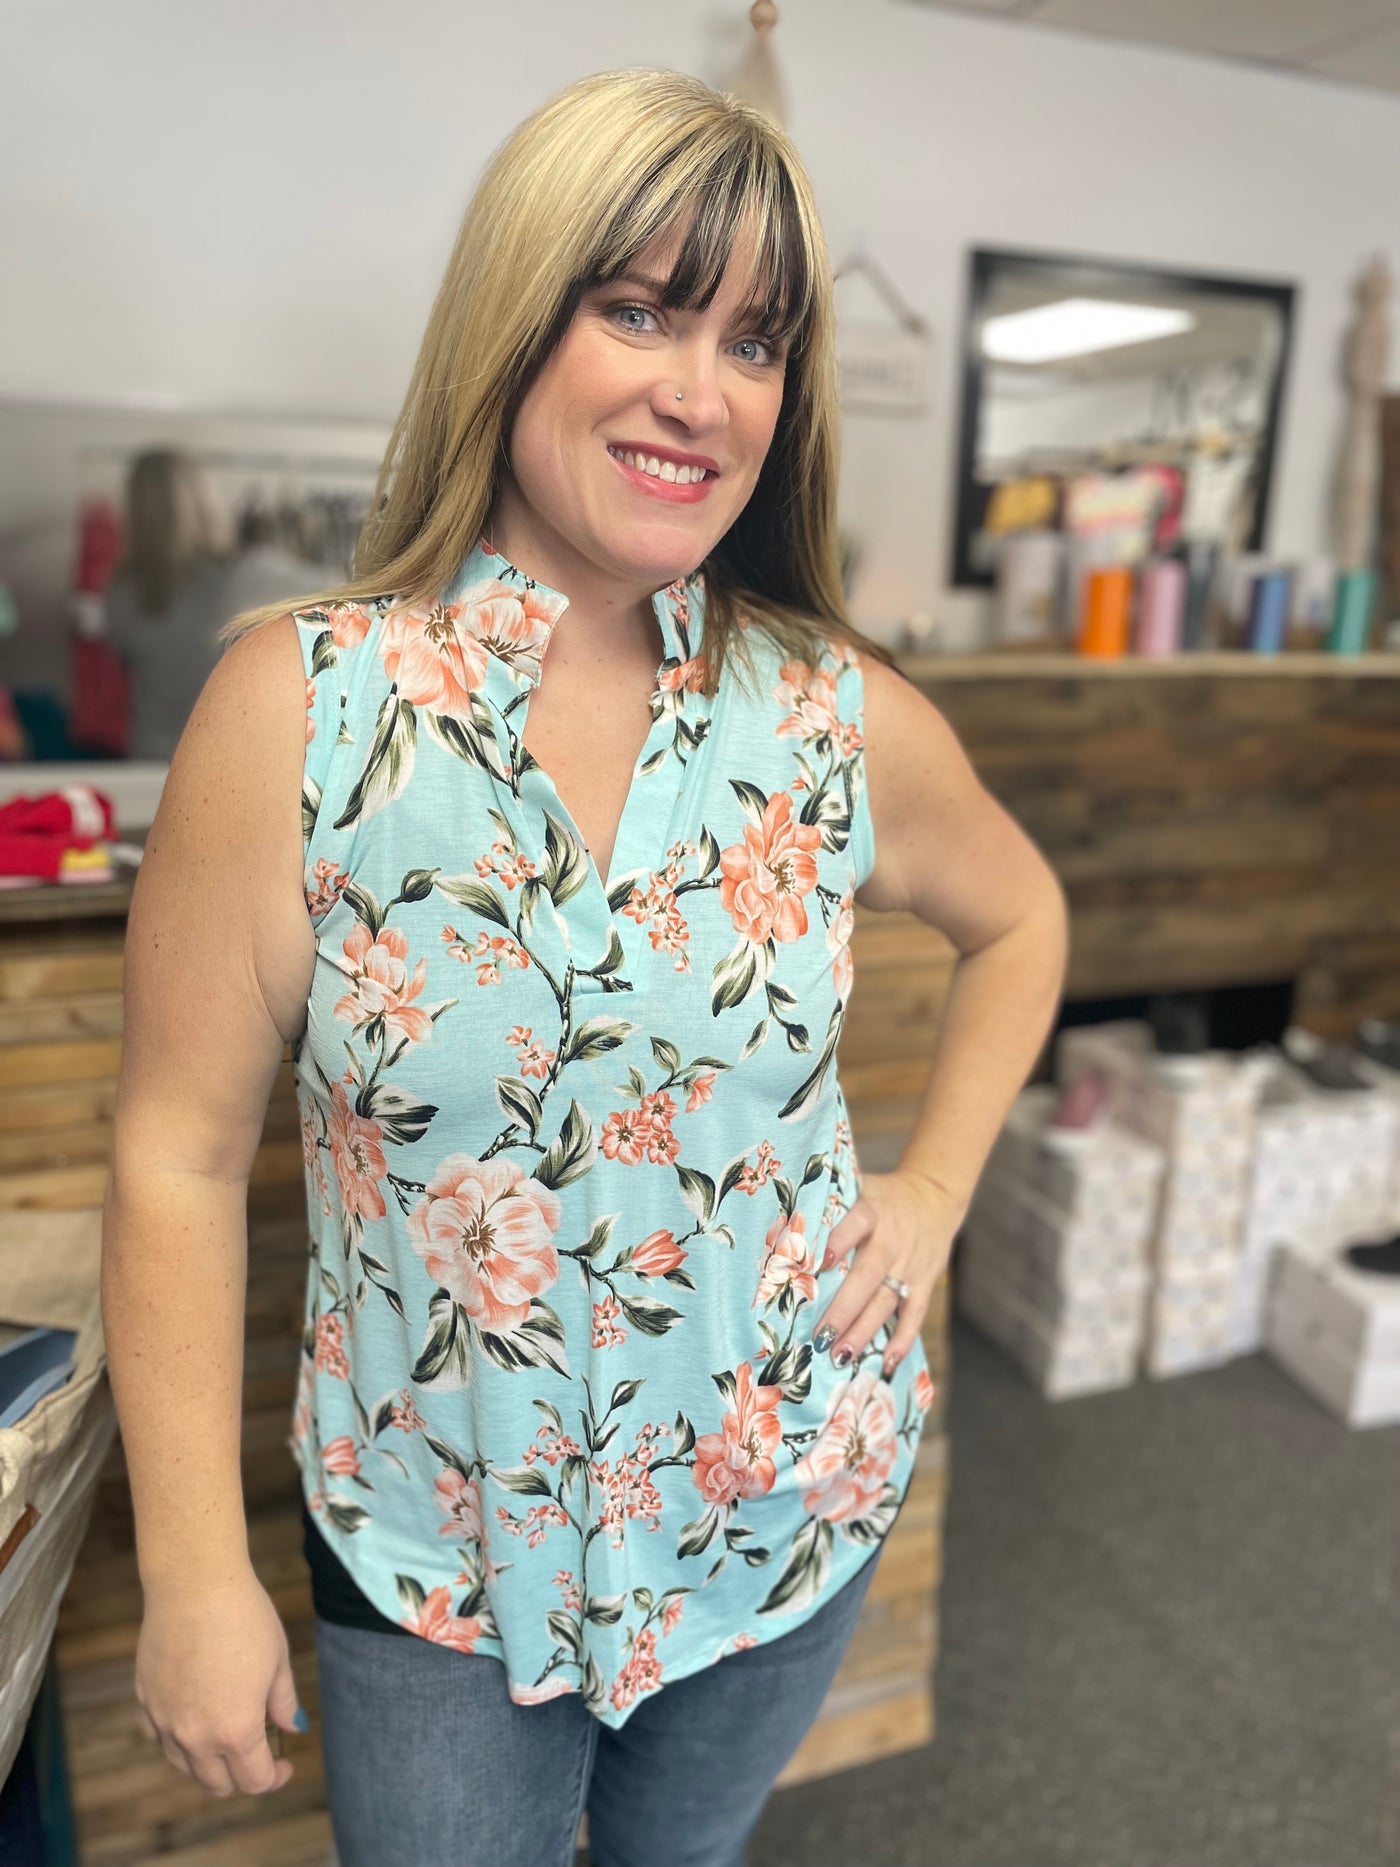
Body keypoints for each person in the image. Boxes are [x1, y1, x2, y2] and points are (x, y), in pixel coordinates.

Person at [101, 68, 1068, 1867]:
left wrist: (932, 1189)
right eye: (639, 309)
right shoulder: (302, 709)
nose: (704, 393)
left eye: (756, 343)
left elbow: (1026, 917)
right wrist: (191, 1567)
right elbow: (169, 1155)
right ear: (515, 323)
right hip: (439, 1552)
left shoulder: (830, 716)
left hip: (786, 1496)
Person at [103, 449, 309, 760]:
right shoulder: (242, 574)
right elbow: (343, 585)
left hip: (146, 754)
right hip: (216, 757)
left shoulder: (119, 591)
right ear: (201, 500)